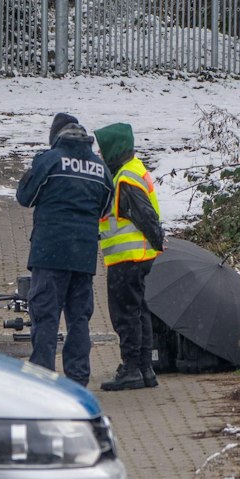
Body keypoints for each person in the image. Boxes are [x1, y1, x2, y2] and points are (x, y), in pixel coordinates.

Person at [14, 113, 113, 385]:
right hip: (83, 256)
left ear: (55, 136)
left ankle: (42, 379)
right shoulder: (100, 168)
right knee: (79, 319)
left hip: (50, 253)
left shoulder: (49, 161)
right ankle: (78, 379)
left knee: (45, 317)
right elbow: (105, 208)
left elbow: (25, 197)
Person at [93, 122, 164, 391]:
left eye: (103, 150)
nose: (100, 155)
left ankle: (131, 368)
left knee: (125, 314)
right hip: (137, 255)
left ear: (115, 150)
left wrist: (157, 238)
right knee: (138, 310)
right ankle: (145, 368)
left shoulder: (124, 179)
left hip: (128, 257)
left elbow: (145, 215)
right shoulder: (131, 171)